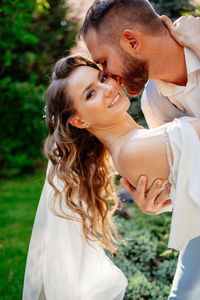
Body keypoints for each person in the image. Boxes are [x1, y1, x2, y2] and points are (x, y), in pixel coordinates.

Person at [80, 1, 200, 298]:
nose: (108, 76)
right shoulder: (154, 102)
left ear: (132, 41)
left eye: (104, 62)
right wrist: (163, 201)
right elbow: (191, 176)